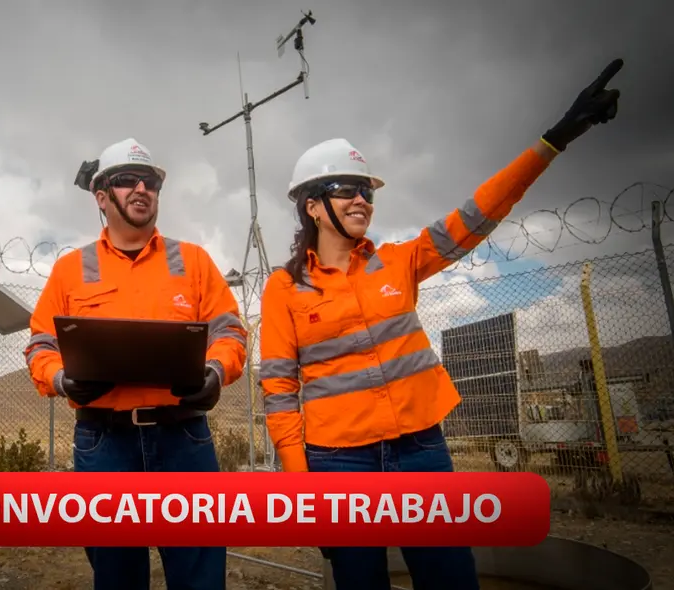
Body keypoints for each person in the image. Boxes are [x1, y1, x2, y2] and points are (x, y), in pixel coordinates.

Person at [258, 59, 624, 590]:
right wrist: (301, 489)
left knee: (451, 578)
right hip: (338, 463)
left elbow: (479, 213)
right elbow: (277, 389)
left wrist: (556, 138)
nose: (362, 199)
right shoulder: (284, 288)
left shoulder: (402, 260)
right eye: (346, 188)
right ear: (312, 206)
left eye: (368, 190)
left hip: (420, 450)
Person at [23, 137, 248, 590]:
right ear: (102, 197)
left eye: (151, 182)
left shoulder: (194, 261)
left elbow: (230, 333)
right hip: (103, 442)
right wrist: (62, 380)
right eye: (127, 181)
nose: (142, 188)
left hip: (183, 436)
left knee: (200, 576)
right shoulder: (71, 269)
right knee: (117, 576)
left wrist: (216, 372)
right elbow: (40, 346)